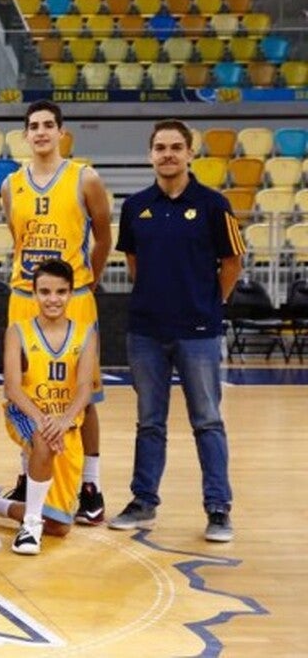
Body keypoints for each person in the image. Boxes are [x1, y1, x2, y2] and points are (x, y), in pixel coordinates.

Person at [108, 119, 242, 543]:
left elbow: (232, 263)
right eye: (160, 148)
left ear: (189, 153)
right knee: (149, 422)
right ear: (151, 155)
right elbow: (133, 261)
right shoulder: (135, 207)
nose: (168, 154)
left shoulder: (214, 205)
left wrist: (209, 304)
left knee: (207, 421)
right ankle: (143, 500)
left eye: (175, 147)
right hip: (146, 331)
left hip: (198, 331)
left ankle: (218, 508)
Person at [1, 100, 111, 525]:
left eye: (49, 125)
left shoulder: (85, 177)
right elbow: (17, 237)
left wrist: (87, 281)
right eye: (34, 126)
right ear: (25, 135)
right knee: (27, 389)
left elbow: (103, 237)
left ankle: (90, 484)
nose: (42, 132)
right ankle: (29, 473)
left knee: (85, 394)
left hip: (74, 296)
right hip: (23, 295)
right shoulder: (11, 184)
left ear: (62, 132)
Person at [0, 259, 96, 555]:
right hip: (25, 411)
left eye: (60, 292)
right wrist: (44, 420)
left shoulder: (86, 333)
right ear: (33, 294)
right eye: (44, 292)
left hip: (65, 419)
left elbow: (85, 388)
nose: (52, 299)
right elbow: (12, 388)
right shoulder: (18, 332)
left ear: (71, 293)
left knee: (59, 526)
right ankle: (30, 527)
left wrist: (64, 420)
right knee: (43, 441)